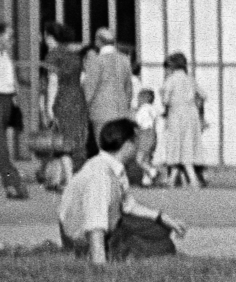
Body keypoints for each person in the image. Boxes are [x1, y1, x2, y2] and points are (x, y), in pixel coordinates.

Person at [58, 118, 187, 264]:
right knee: (163, 246)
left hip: (109, 224)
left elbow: (128, 205)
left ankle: (125, 246)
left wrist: (162, 217)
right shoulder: (100, 174)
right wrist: (99, 264)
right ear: (127, 145)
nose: (138, 146)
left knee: (159, 230)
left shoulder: (113, 167)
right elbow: (95, 225)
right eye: (136, 141)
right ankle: (117, 251)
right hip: (82, 239)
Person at [40, 22, 90, 175]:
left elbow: (53, 82)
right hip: (78, 98)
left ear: (48, 36)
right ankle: (74, 175)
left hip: (62, 99)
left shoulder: (53, 55)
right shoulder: (74, 55)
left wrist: (48, 106)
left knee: (62, 140)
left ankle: (68, 179)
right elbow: (83, 79)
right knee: (76, 139)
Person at [159, 52, 205, 189]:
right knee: (187, 143)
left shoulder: (171, 80)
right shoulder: (190, 79)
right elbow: (202, 96)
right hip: (191, 114)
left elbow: (165, 99)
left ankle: (191, 178)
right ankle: (172, 179)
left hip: (176, 113)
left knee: (175, 143)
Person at [82, 27, 134, 145]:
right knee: (119, 146)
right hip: (121, 111)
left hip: (100, 112)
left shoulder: (96, 61)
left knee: (103, 146)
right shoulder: (124, 60)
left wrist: (84, 107)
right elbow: (129, 88)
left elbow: (90, 88)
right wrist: (126, 105)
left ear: (98, 41)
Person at [0, 19, 26, 199]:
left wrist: (16, 98)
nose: (13, 40)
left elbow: (11, 79)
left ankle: (11, 184)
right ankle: (12, 183)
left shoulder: (5, 55)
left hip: (7, 100)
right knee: (1, 146)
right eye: (9, 36)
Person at [131, 89, 160, 187]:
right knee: (147, 158)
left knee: (139, 159)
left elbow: (138, 122)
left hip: (144, 134)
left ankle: (152, 171)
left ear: (144, 99)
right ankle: (147, 180)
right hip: (153, 135)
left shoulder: (143, 109)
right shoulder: (153, 109)